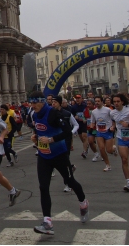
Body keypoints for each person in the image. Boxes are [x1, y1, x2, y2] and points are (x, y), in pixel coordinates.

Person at [28, 92, 89, 236]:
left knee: (69, 180)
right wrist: (35, 138)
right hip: (44, 156)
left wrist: (51, 140)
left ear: (42, 102)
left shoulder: (54, 113)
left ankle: (83, 202)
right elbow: (40, 131)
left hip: (59, 154)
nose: (32, 106)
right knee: (43, 187)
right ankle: (47, 222)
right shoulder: (35, 115)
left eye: (34, 103)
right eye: (30, 103)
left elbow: (67, 132)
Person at [50, 96, 78, 192]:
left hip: (65, 139)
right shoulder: (50, 114)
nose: (53, 104)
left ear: (60, 103)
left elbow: (76, 125)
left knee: (65, 160)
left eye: (55, 102)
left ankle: (68, 184)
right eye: (52, 102)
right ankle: (71, 167)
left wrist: (71, 132)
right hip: (54, 140)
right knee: (58, 160)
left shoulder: (67, 114)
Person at [90, 96, 117, 172]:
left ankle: (114, 149)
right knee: (101, 149)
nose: (97, 103)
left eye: (99, 101)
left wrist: (113, 126)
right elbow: (92, 122)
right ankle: (108, 165)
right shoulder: (94, 112)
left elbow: (114, 120)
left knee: (109, 150)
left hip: (108, 131)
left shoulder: (108, 110)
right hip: (99, 131)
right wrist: (91, 126)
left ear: (102, 102)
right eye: (96, 101)